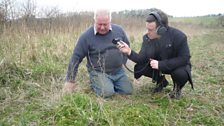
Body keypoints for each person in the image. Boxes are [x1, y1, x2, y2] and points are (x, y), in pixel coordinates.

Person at [117, 9, 193, 98]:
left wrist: (161, 64)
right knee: (140, 67)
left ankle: (177, 90)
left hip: (175, 66)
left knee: (180, 74)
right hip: (157, 66)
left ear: (161, 29)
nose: (147, 32)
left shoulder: (179, 36)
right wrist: (129, 51)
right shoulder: (147, 38)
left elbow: (184, 58)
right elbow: (141, 58)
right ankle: (161, 82)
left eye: (150, 30)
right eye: (147, 29)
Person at [63, 9, 133, 98]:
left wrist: (122, 61)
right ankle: (96, 82)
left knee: (128, 91)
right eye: (99, 24)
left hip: (118, 71)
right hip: (99, 72)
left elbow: (127, 47)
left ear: (110, 21)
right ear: (94, 21)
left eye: (105, 24)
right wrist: (70, 80)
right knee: (107, 93)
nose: (102, 27)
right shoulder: (86, 36)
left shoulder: (119, 30)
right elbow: (76, 57)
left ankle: (111, 83)